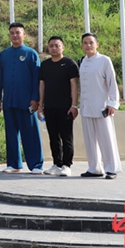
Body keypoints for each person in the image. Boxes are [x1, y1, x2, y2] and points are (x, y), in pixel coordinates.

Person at [0, 22, 43, 174]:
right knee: (11, 134)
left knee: (31, 133)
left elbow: (36, 79)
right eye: (12, 33)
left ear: (24, 34)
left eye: (18, 32)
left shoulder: (31, 53)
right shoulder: (4, 54)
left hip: (26, 101)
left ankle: (36, 164)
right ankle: (14, 164)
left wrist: (35, 99)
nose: (15, 35)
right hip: (9, 101)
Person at [78, 32, 122, 180]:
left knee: (106, 138)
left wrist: (112, 103)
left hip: (102, 107)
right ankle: (94, 168)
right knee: (90, 140)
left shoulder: (104, 60)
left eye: (91, 42)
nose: (88, 45)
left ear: (97, 44)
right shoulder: (82, 61)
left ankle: (111, 168)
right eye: (85, 42)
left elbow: (112, 82)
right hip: (86, 107)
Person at [38, 36, 79, 177]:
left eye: (57, 45)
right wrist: (40, 106)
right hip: (49, 106)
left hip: (66, 107)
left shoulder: (69, 64)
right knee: (53, 137)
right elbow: (42, 85)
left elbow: (74, 85)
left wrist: (74, 105)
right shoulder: (45, 65)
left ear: (63, 47)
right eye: (51, 46)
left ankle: (67, 165)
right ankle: (57, 163)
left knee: (66, 137)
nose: (54, 48)